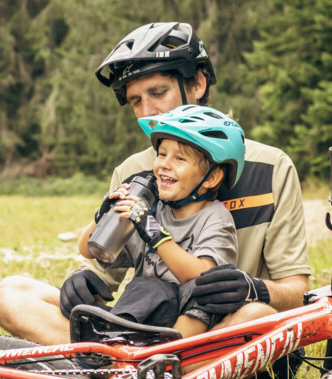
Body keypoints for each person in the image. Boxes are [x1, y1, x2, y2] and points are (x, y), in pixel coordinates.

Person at [0, 22, 310, 379]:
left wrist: (256, 289)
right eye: (136, 101)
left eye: (157, 93)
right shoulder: (133, 172)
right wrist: (81, 285)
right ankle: (138, 376)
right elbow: (103, 266)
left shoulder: (271, 166)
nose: (147, 113)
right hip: (150, 327)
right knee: (11, 294)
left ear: (198, 83)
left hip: (222, 331)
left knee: (260, 317)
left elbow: (298, 291)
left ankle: (128, 378)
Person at [79, 105, 258, 339]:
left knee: (201, 291)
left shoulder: (215, 217)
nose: (164, 164)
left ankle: (166, 355)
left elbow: (203, 275)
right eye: (162, 154)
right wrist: (102, 218)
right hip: (148, 317)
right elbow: (89, 251)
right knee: (145, 287)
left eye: (180, 158)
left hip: (188, 325)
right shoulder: (150, 210)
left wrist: (155, 234)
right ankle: (116, 344)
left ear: (212, 177)